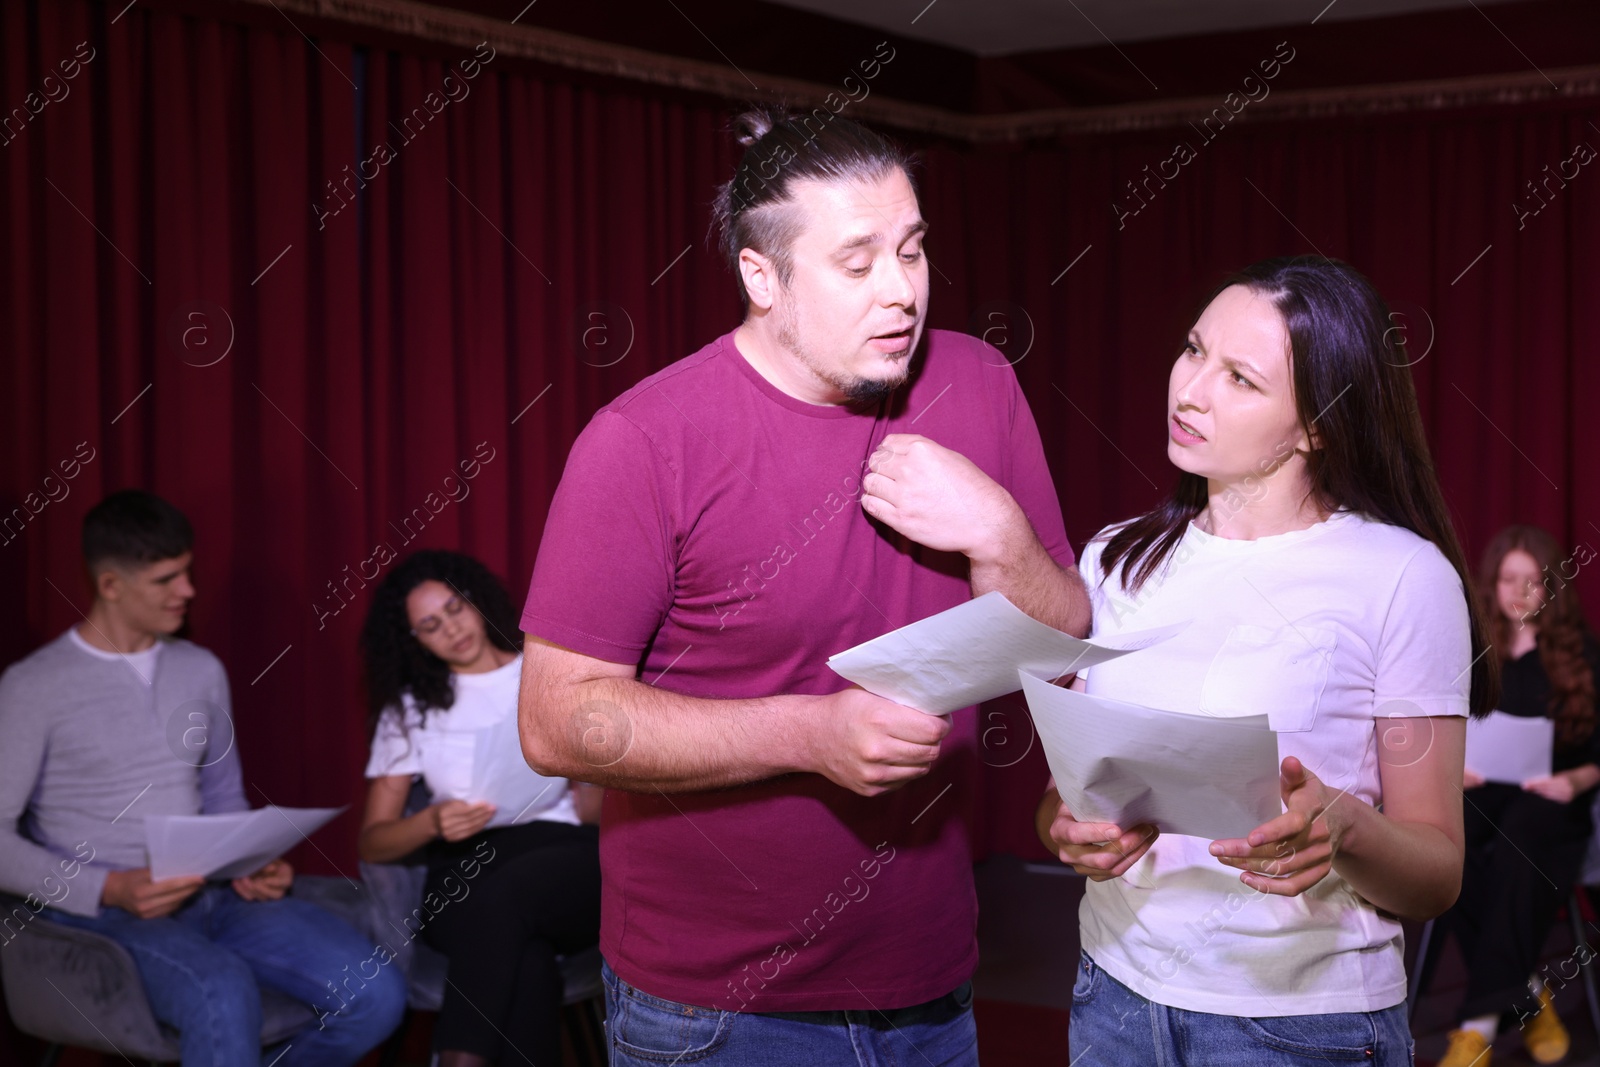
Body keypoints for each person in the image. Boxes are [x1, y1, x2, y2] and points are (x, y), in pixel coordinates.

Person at [517, 106, 1089, 1066]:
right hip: (716, 1010)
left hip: (937, 981)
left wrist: (1000, 535)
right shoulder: (644, 441)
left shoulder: (978, 381)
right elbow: (556, 723)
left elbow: (1059, 637)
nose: (901, 291)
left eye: (912, 251)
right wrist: (810, 733)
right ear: (761, 276)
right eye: (857, 263)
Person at [1034, 256, 1497, 1066]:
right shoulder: (1114, 558)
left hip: (1298, 1028)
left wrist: (1347, 827)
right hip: (1111, 998)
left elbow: (1438, 873)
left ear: (1317, 424)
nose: (1190, 389)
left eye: (1240, 378)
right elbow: (1060, 802)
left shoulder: (1403, 577)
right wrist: (1069, 831)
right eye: (1192, 349)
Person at [0, 489, 405, 1067]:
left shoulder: (201, 669)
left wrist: (247, 861)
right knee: (221, 990)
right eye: (166, 580)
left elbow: (221, 797)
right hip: (101, 916)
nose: (188, 592)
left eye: (187, 573)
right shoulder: (32, 686)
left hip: (214, 894)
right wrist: (109, 889)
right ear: (110, 585)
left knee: (376, 994)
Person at [357, 549, 602, 1067]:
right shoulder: (410, 709)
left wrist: (590, 760)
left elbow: (593, 813)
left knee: (509, 903)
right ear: (413, 641)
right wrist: (431, 820)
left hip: (562, 854)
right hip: (463, 865)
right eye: (429, 624)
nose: (451, 628)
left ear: (474, 599)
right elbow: (373, 842)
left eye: (455, 607)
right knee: (524, 956)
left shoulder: (546, 675)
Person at [1433, 524, 1600, 1067]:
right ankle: (1527, 994)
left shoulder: (1582, 654)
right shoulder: (1471, 649)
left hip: (1551, 801)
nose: (1520, 593)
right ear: (1493, 584)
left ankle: (1476, 1026)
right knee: (1441, 836)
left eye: (1534, 581)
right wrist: (1455, 768)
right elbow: (1435, 729)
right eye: (1509, 579)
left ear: (1552, 588)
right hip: (1484, 790)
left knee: (1520, 841)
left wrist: (1575, 780)